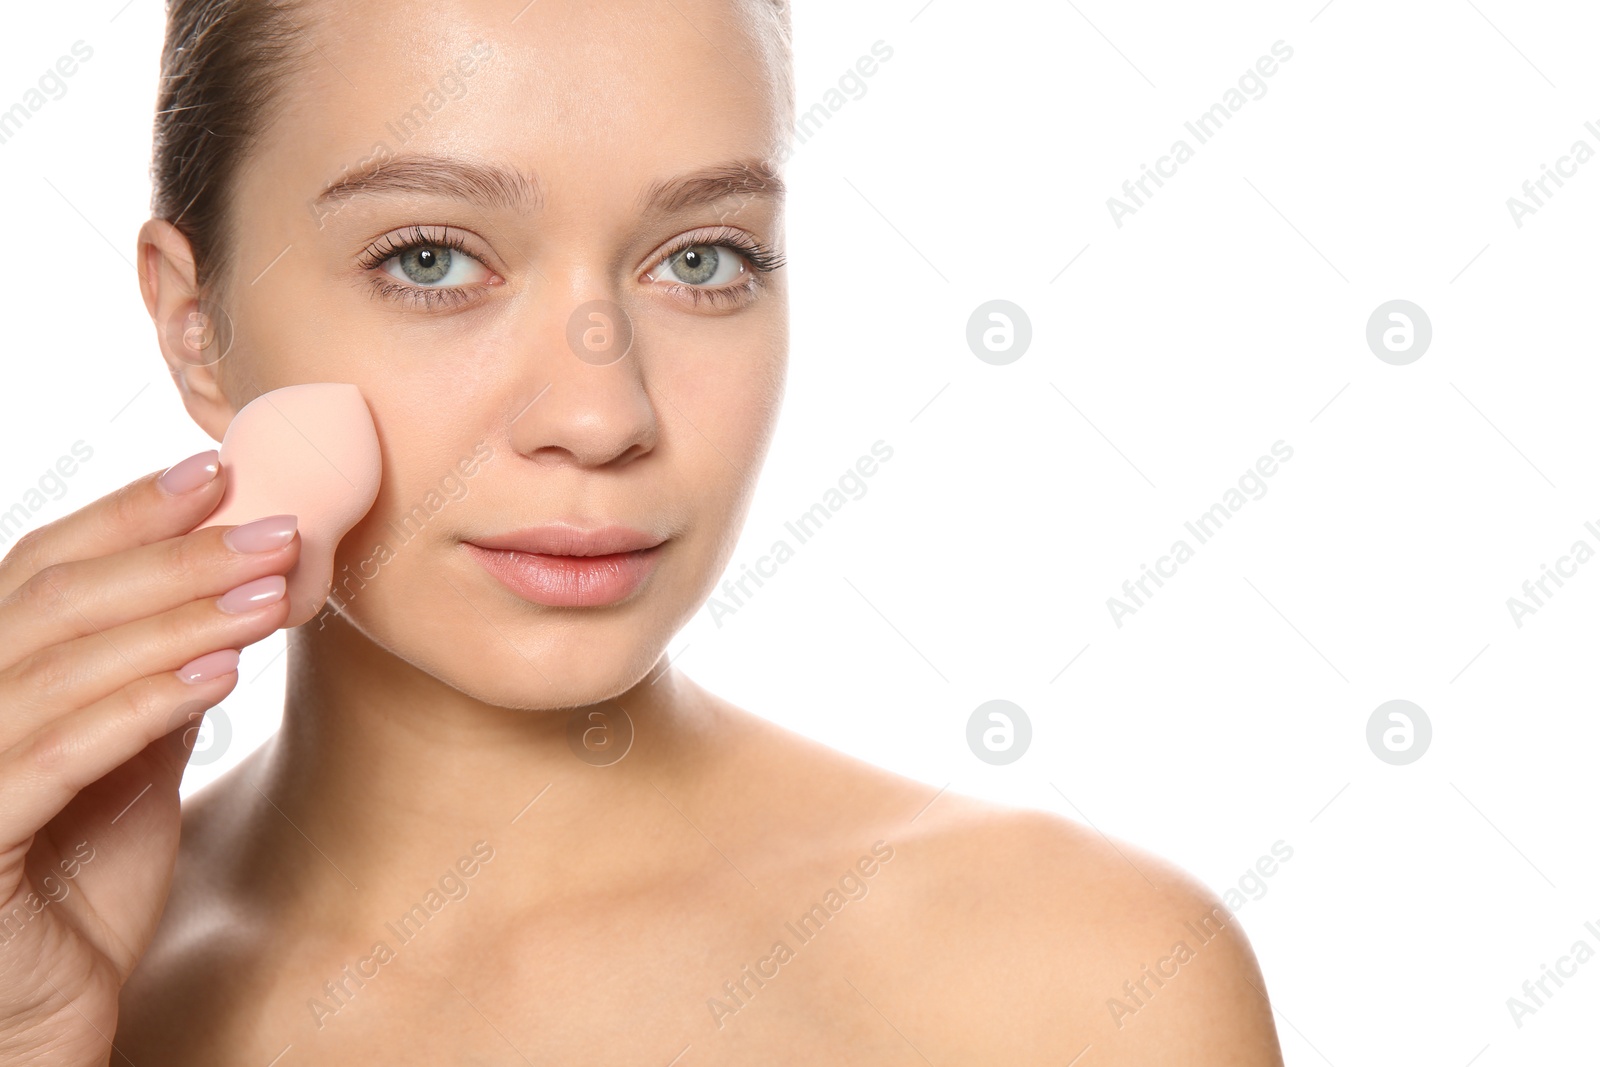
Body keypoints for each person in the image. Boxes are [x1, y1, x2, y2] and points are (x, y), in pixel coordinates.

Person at [0, 0, 1285, 1062]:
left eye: (703, 258)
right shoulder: (59, 974)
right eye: (434, 258)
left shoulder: (1079, 985)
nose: (600, 412)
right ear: (194, 323)